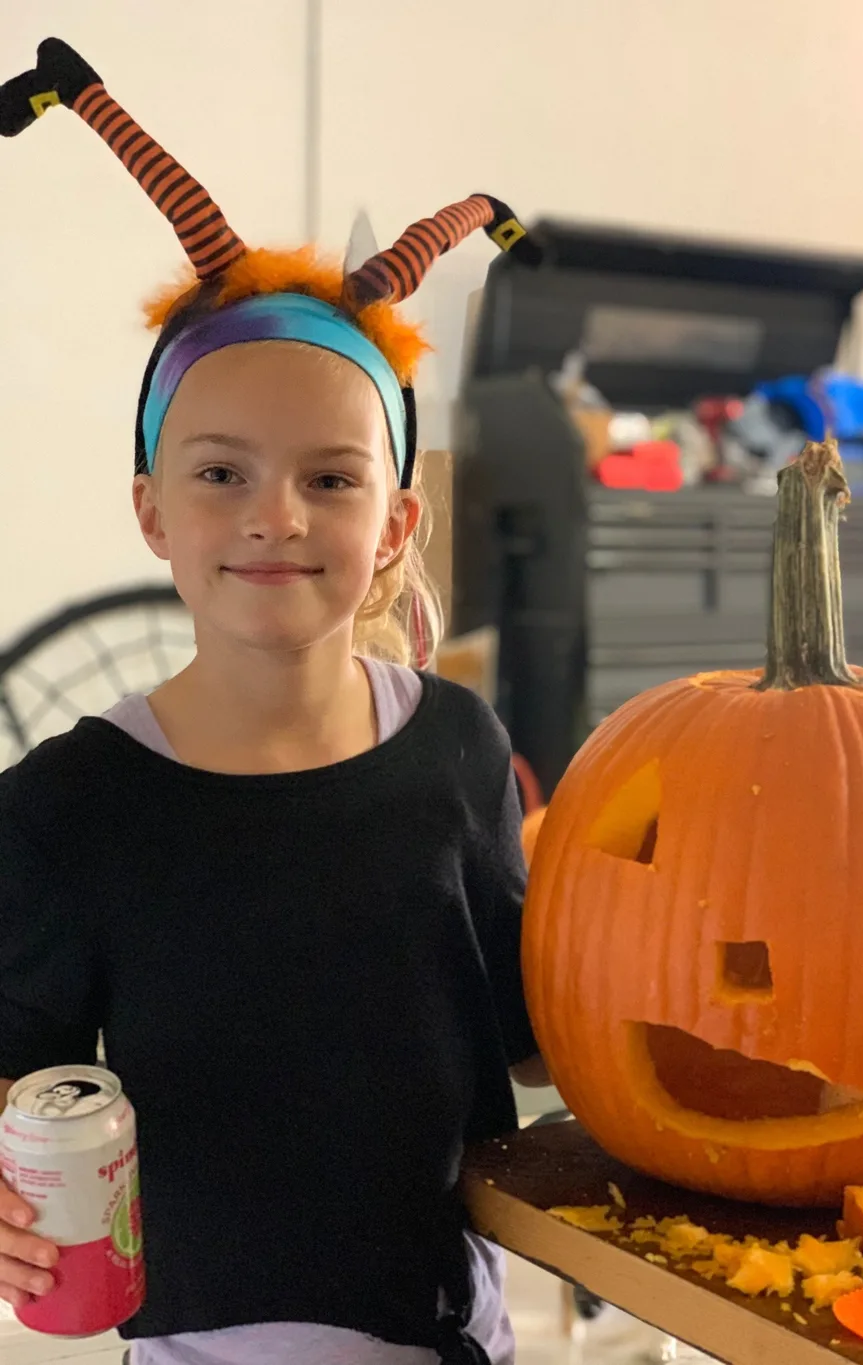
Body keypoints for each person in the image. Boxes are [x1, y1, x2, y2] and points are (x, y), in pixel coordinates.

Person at [0, 37, 548, 1365]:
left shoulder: (458, 749)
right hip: (195, 1343)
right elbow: (19, 1067)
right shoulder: (69, 803)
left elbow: (534, 1038)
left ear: (395, 517)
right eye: (221, 473)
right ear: (152, 511)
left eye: (332, 479)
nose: (277, 516)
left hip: (447, 1334)